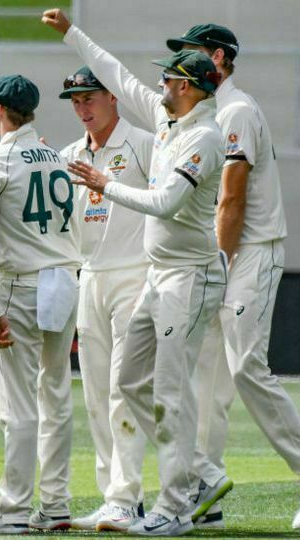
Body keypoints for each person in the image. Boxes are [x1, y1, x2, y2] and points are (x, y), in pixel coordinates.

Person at [43, 9, 227, 536]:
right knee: (128, 381)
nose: (160, 84)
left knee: (169, 390)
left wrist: (106, 185)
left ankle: (175, 507)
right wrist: (71, 33)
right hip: (159, 277)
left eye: (168, 78)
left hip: (190, 276)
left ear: (188, 87)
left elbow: (167, 202)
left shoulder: (204, 137)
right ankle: (200, 474)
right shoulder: (170, 120)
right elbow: (117, 74)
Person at [166, 24, 297, 529]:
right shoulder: (205, 113)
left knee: (245, 367)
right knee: (206, 377)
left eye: (192, 53)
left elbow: (233, 198)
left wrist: (218, 264)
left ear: (218, 58)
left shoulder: (235, 109)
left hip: (251, 253)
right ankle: (204, 493)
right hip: (220, 255)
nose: (181, 66)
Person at [0, 74, 81, 535]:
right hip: (64, 279)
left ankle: (12, 509)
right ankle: (55, 504)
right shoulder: (58, 156)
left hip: (23, 285)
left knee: (18, 405)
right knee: (56, 396)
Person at [59, 66, 152, 532]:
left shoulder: (143, 144)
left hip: (135, 273)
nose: (82, 108)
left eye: (89, 98)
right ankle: (111, 495)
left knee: (122, 389)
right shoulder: (69, 155)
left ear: (112, 96)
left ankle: (126, 496)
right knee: (95, 393)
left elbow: (168, 201)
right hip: (89, 274)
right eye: (75, 101)